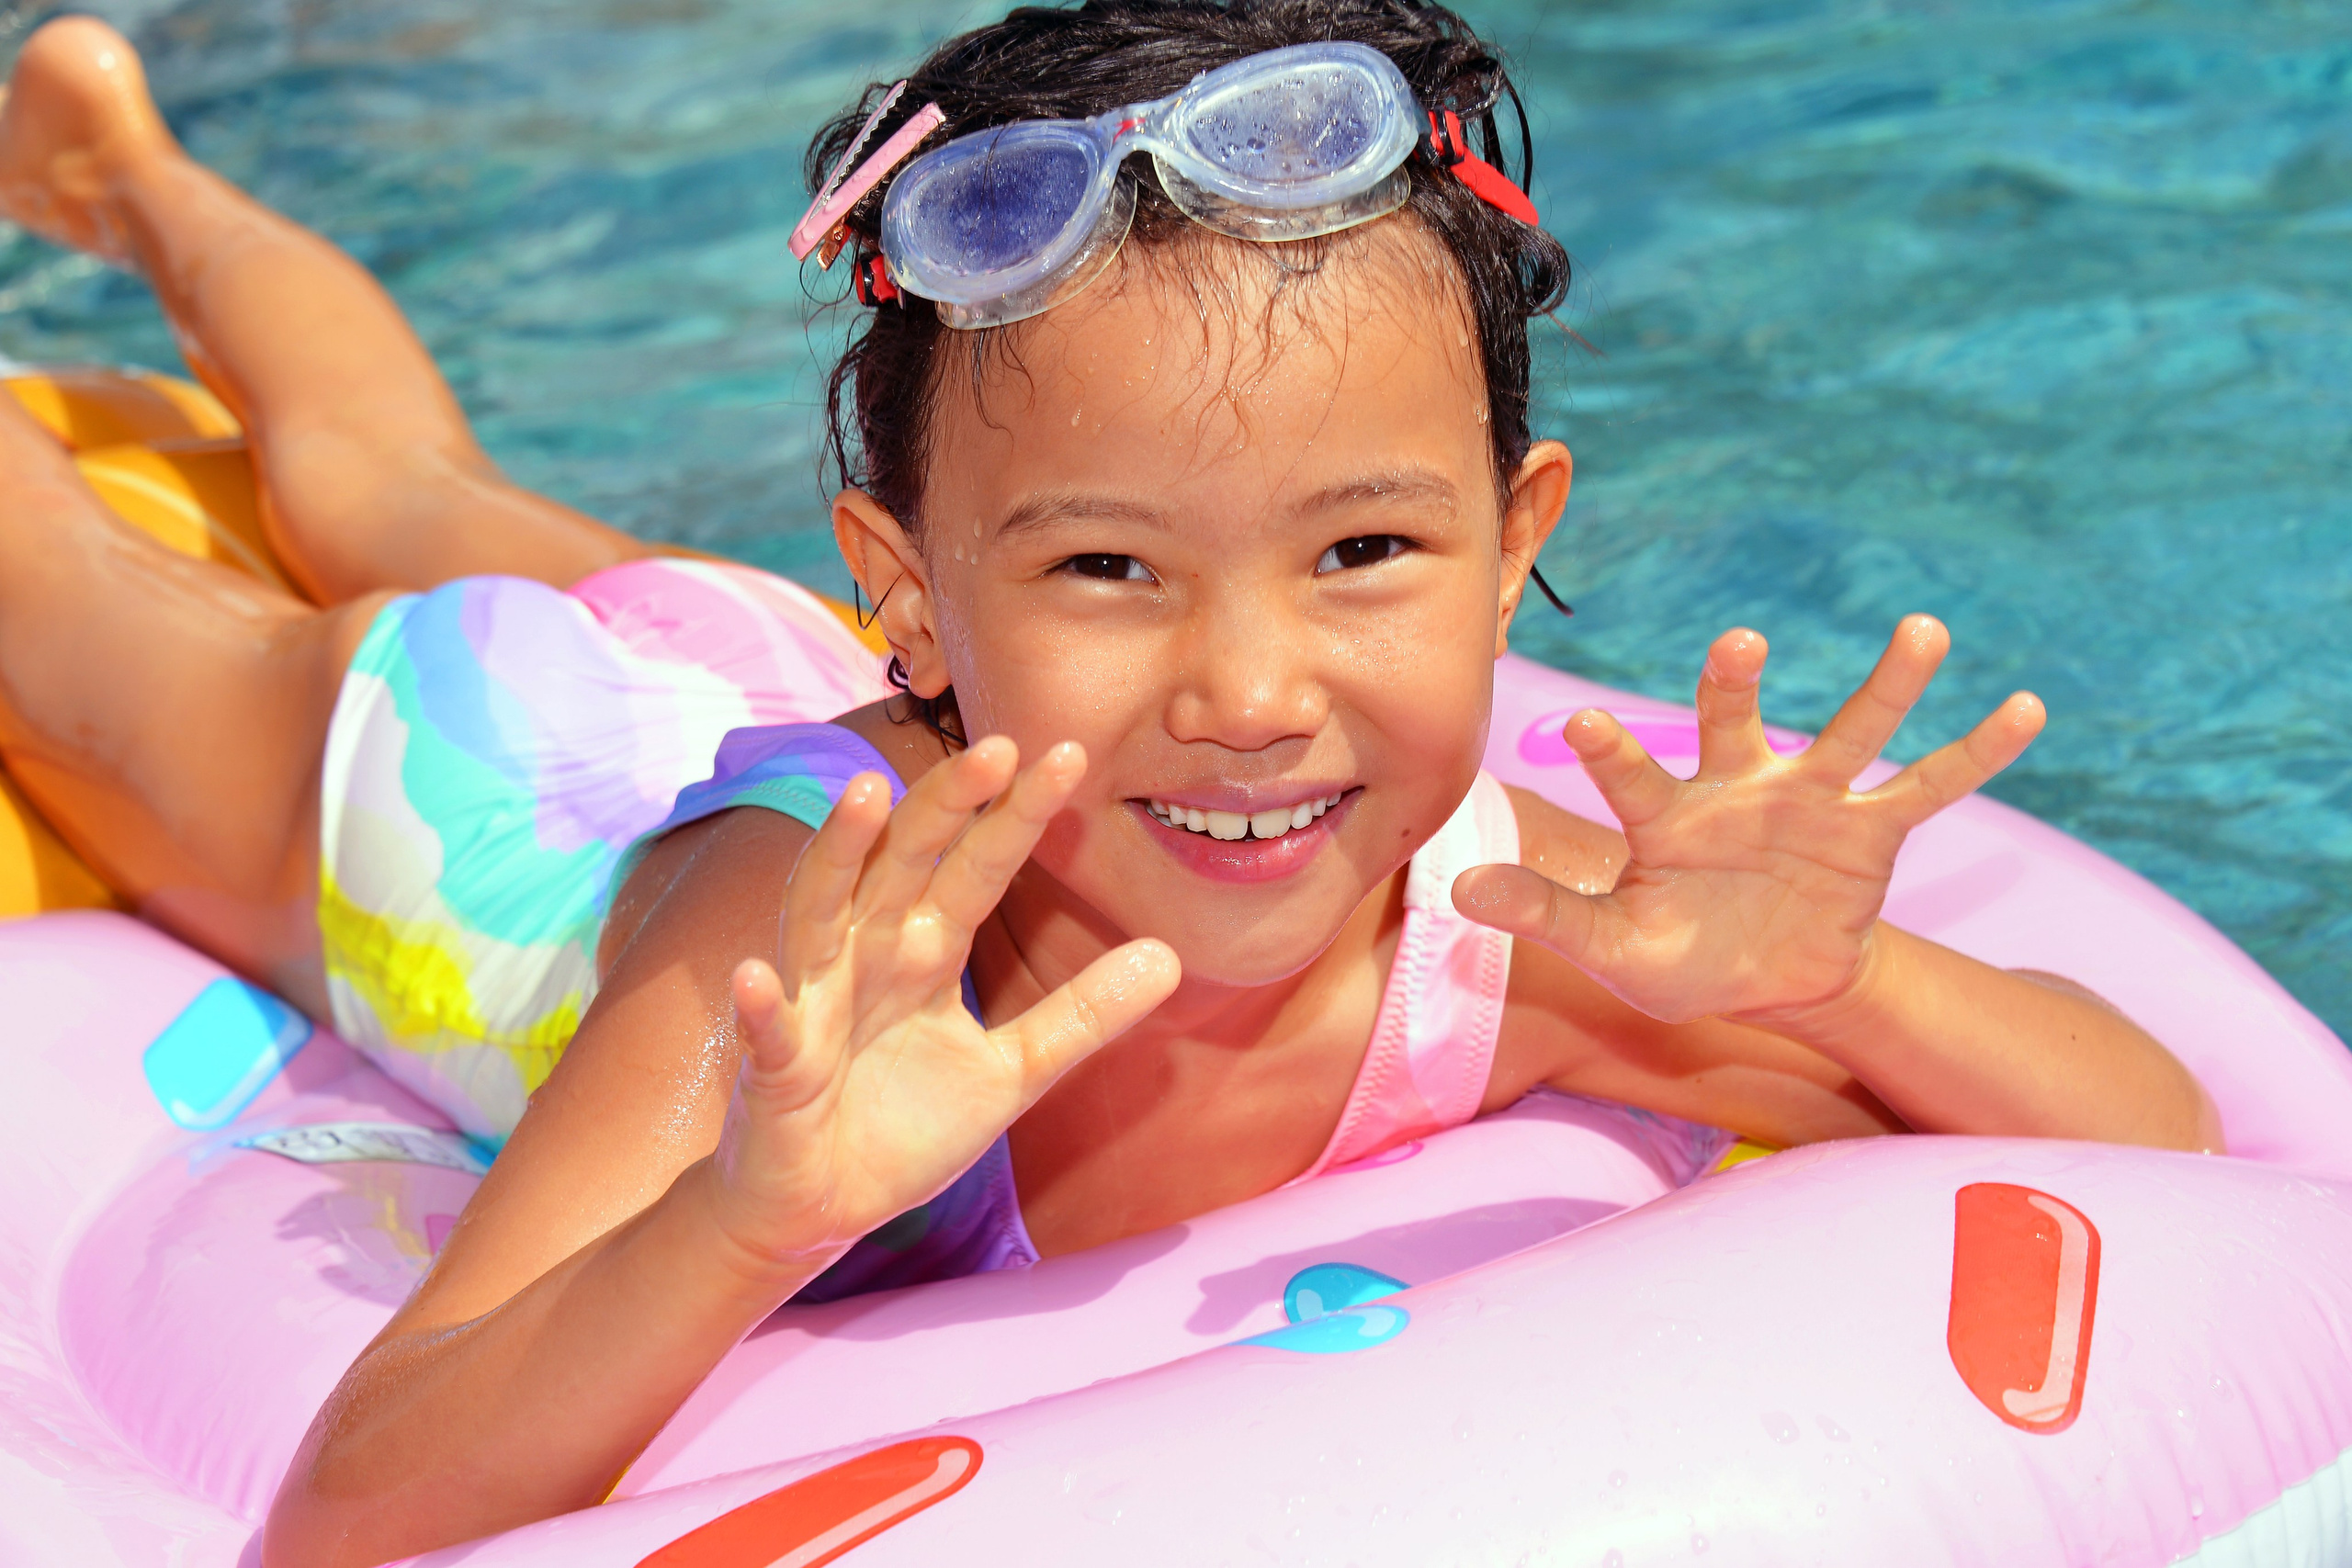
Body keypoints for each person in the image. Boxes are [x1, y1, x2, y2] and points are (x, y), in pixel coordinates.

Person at [0, 6, 2220, 1563]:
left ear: (1513, 535)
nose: (1249, 693)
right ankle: (138, 207)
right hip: (471, 794)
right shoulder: (807, 948)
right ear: (915, 580)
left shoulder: (1506, 917)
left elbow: (2159, 1160)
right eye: (1108, 566)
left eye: (1363, 549)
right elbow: (354, 1509)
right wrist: (746, 1214)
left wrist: (1845, 981)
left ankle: (126, 170)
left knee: (393, 475)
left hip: (854, 678)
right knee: (99, 585)